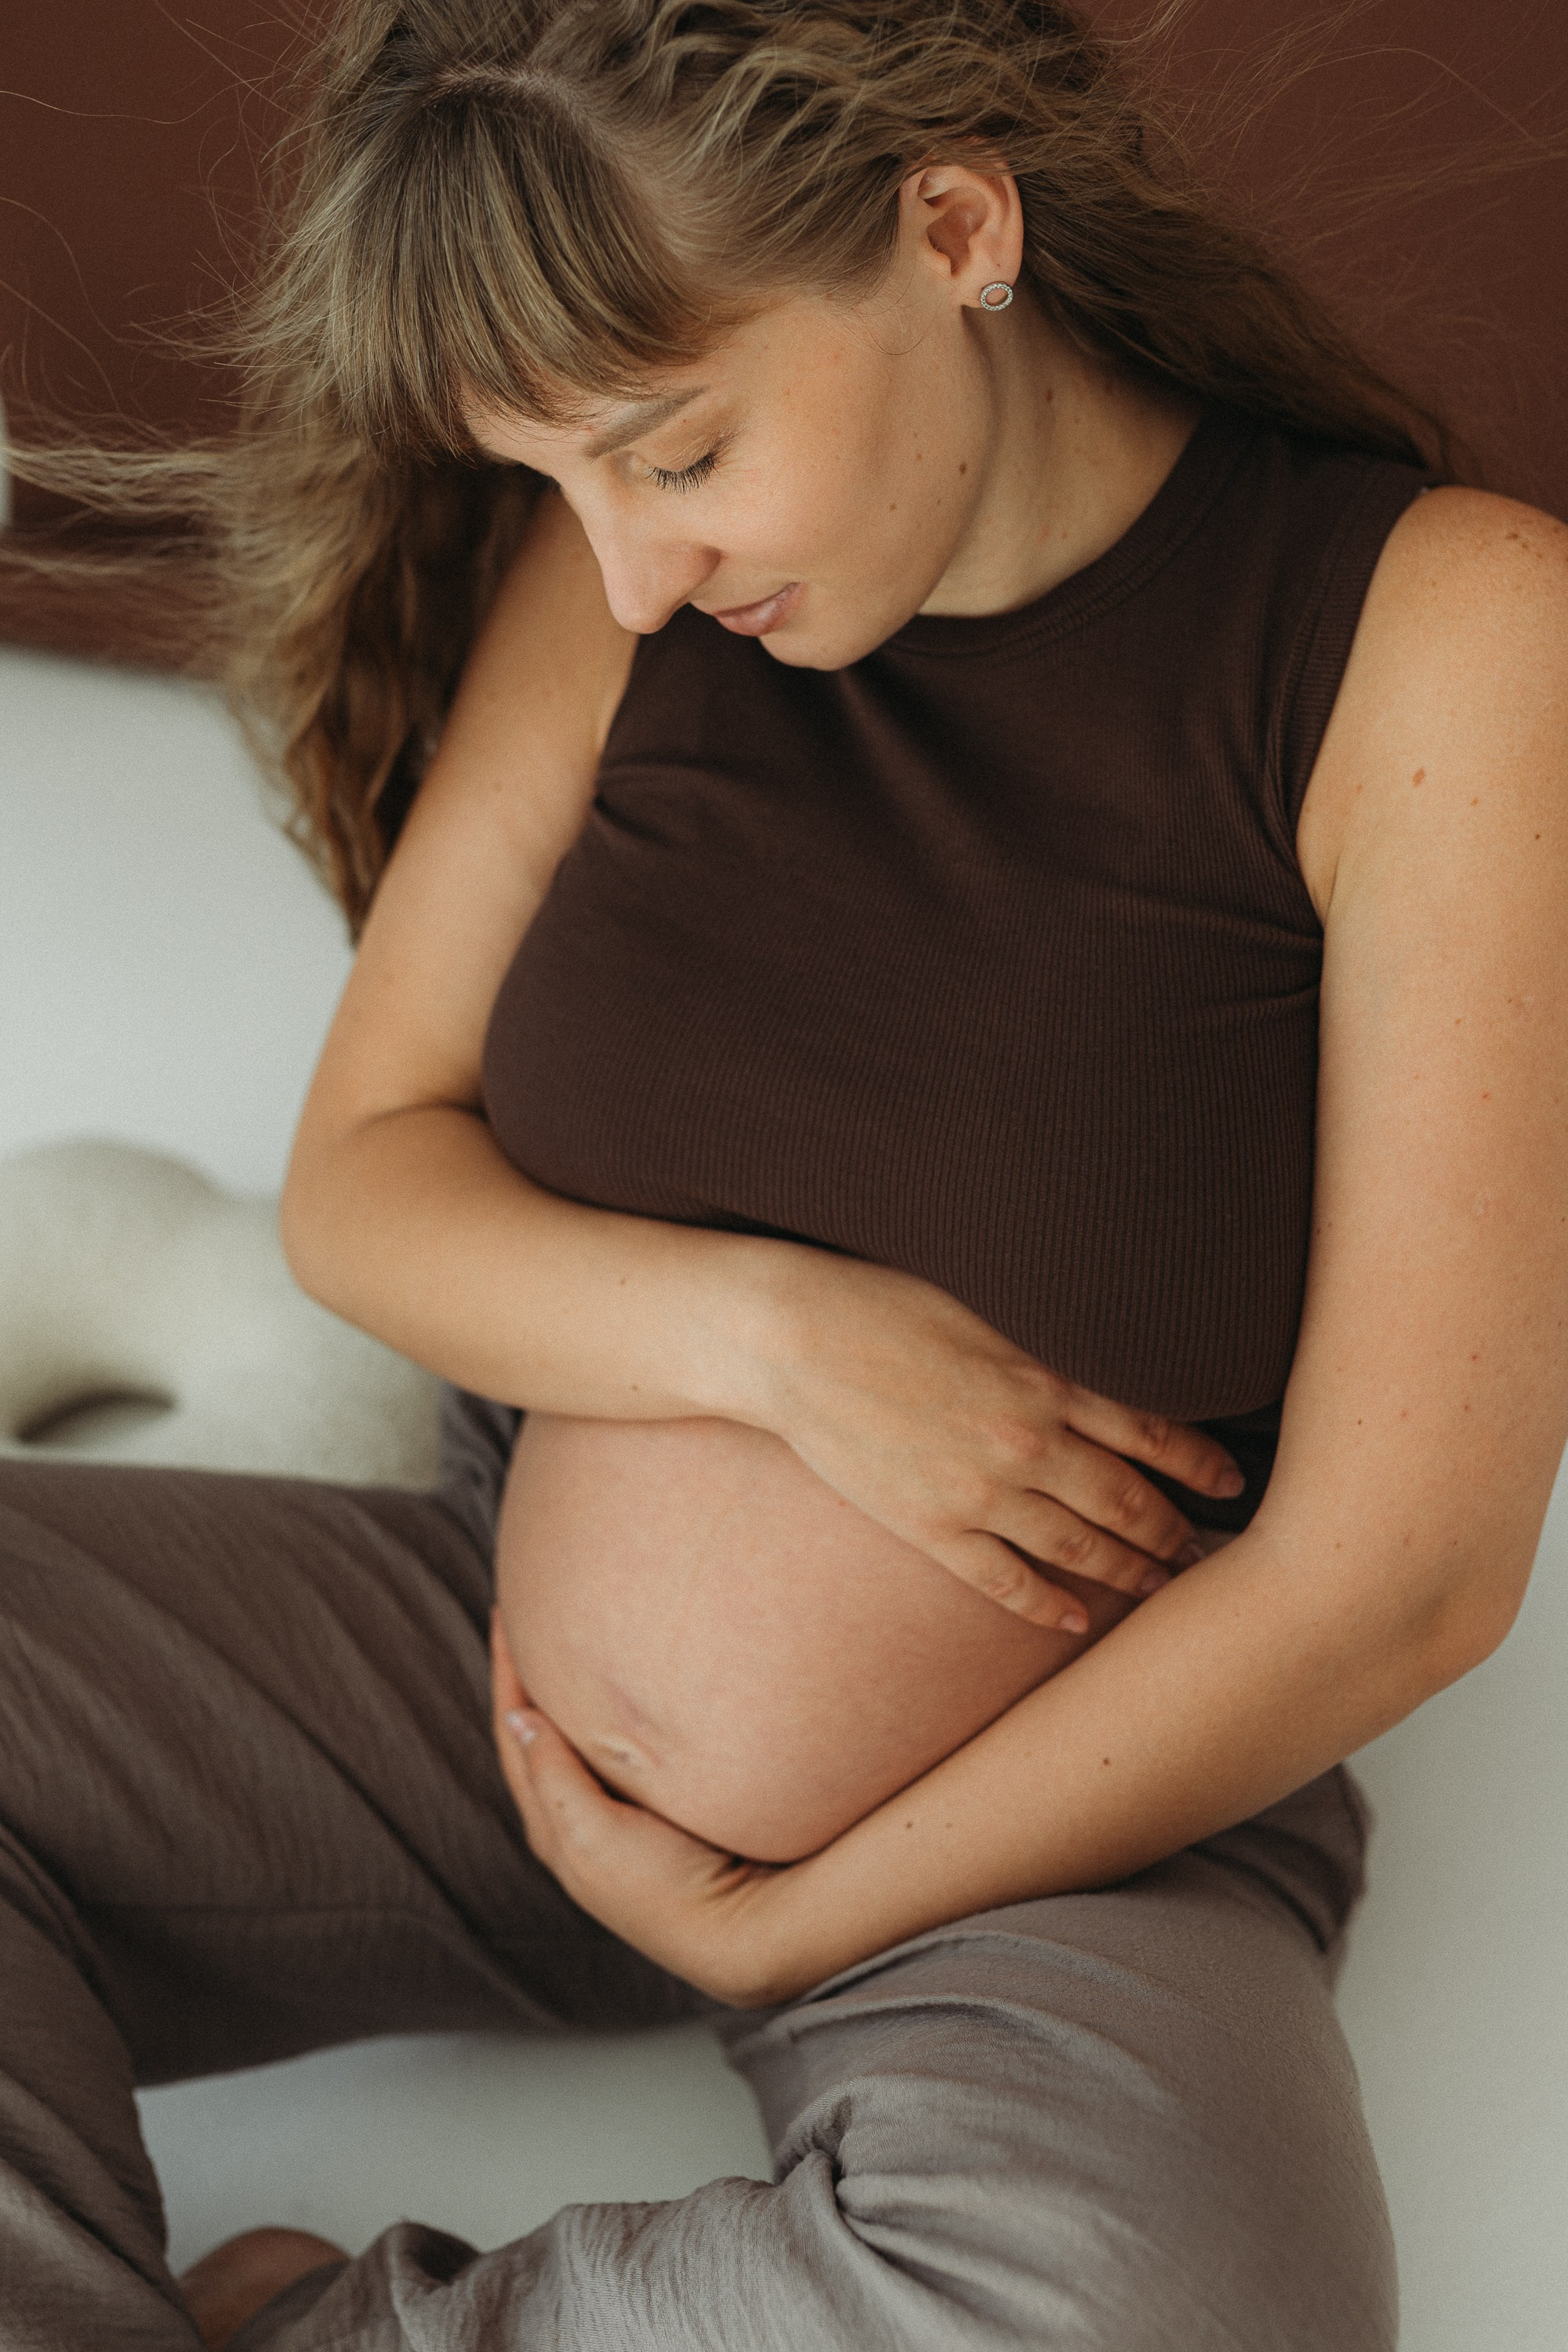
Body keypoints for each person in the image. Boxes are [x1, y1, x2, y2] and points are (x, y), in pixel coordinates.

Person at [3, 2, 1566, 2345]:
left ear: (954, 227)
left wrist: (802, 1915)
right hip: (487, 1664)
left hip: (1069, 1808)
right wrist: (791, 1345)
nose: (627, 571)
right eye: (557, 479)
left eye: (679, 449)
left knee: (1173, 2307)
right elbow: (366, 1180)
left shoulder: (1445, 641)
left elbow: (1406, 1576)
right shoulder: (618, 594)